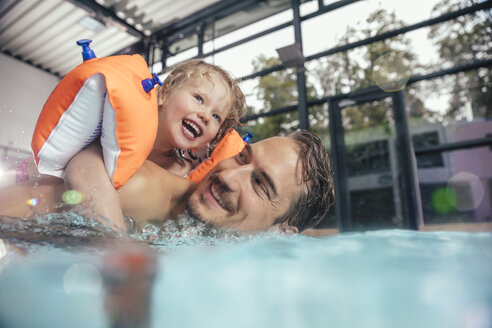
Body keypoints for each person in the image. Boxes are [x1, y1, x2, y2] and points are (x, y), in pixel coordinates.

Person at [0, 131, 335, 234]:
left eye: (261, 184)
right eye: (243, 157)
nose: (228, 176)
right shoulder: (136, 190)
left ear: (281, 230)